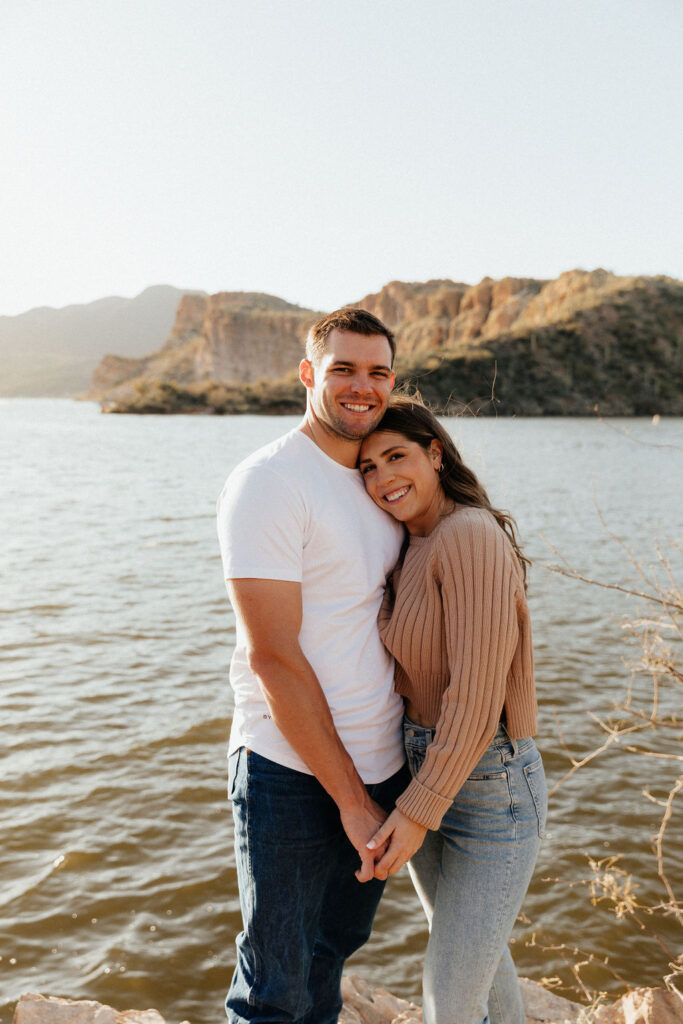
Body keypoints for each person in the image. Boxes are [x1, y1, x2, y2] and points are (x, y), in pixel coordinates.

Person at [216, 308, 411, 1024]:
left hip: (382, 762)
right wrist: (351, 799)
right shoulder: (270, 481)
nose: (362, 387)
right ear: (308, 374)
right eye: (343, 370)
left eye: (377, 372)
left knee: (332, 951)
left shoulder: (374, 480)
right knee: (274, 986)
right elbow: (273, 656)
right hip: (290, 773)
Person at [358, 395, 547, 1024]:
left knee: (449, 997)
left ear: (435, 454)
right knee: (481, 972)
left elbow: (477, 695)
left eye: (397, 457)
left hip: (490, 781)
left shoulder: (467, 534)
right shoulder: (412, 543)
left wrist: (415, 812)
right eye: (368, 468)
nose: (384, 479)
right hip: (428, 765)